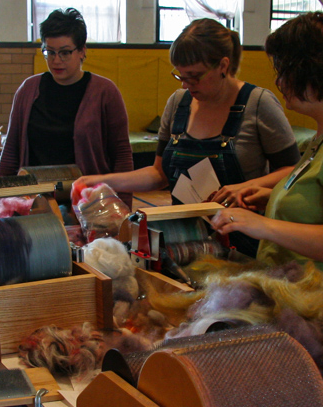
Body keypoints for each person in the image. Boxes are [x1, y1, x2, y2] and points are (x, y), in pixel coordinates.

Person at [209, 12, 323, 295]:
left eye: (282, 72)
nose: (280, 83)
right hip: (301, 295)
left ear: (307, 71)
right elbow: (321, 200)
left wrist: (264, 226)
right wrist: (272, 199)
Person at [81, 18, 300, 256]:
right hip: (184, 243)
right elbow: (158, 174)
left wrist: (245, 187)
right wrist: (103, 181)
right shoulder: (178, 103)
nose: (187, 85)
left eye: (195, 76)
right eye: (181, 76)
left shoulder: (258, 104)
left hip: (245, 244)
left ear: (223, 65)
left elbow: (293, 171)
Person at [0, 8, 134, 204]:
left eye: (65, 52)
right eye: (49, 52)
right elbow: (10, 151)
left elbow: (121, 155)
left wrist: (123, 208)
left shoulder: (105, 92)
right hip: (36, 204)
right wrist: (0, 202)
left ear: (82, 51)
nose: (56, 60)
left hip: (89, 204)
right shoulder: (28, 90)